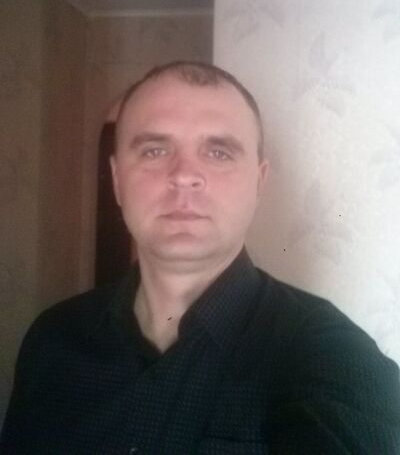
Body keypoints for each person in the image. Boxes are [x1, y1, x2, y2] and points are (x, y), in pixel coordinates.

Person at [1, 61, 400, 454]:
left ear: (258, 182)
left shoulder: (332, 359)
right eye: (155, 150)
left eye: (219, 153)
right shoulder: (51, 339)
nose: (184, 175)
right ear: (118, 181)